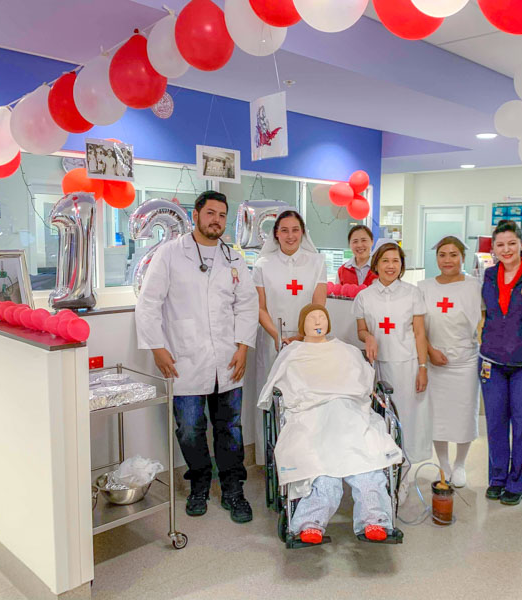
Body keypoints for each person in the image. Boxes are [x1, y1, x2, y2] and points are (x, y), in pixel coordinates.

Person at [135, 191, 258, 523]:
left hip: (229, 358)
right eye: (211, 213)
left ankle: (234, 489)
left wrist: (244, 345)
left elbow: (247, 304)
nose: (216, 219)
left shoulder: (233, 259)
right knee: (189, 428)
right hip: (184, 357)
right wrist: (157, 348)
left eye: (222, 214)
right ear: (196, 214)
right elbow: (148, 303)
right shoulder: (170, 254)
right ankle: (199, 484)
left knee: (230, 428)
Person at [257, 304, 402, 545]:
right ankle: (309, 524)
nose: (317, 320)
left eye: (321, 317)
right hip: (311, 412)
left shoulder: (345, 350)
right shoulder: (293, 352)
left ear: (329, 323)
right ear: (302, 324)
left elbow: (363, 382)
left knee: (365, 459)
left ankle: (374, 519)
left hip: (349, 410)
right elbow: (280, 385)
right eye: (311, 317)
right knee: (320, 466)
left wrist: (351, 395)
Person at [353, 241, 430, 503]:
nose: (390, 266)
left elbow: (420, 333)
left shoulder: (412, 293)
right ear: (376, 264)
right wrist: (368, 338)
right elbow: (361, 330)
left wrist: (422, 367)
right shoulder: (364, 296)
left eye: (395, 261)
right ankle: (382, 474)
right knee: (380, 423)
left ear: (401, 265)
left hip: (407, 366)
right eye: (385, 260)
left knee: (405, 420)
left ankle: (404, 476)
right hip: (378, 367)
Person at [253, 210, 327, 463]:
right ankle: (272, 459)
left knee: (304, 399)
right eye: (284, 230)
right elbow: (259, 307)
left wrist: (302, 336)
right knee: (273, 397)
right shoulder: (263, 265)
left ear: (303, 232)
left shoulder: (317, 262)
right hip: (272, 342)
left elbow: (319, 306)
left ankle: (304, 458)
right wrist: (277, 335)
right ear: (276, 234)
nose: (290, 235)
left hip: (308, 342)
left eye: (295, 230)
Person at [478, 220, 522, 506]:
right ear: (493, 248)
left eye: (511, 244)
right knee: (495, 423)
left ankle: (518, 482)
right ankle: (498, 478)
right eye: (500, 245)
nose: (506, 249)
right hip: (492, 360)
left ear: (521, 245)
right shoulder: (489, 276)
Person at [418, 236, 481, 489]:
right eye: (442, 255)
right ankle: (443, 464)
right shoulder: (424, 287)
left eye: (453, 254)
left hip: (466, 360)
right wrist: (430, 351)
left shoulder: (475, 286)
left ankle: (460, 464)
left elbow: (484, 320)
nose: (447, 260)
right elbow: (418, 326)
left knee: (464, 414)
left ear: (462, 257)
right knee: (438, 416)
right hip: (436, 360)